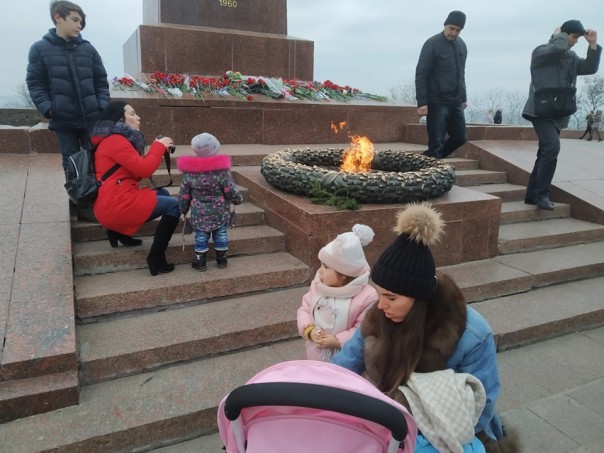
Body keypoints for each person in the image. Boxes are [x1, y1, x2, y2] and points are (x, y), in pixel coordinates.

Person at [331, 203, 508, 452]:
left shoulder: (472, 335)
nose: (381, 305)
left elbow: (481, 406)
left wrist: (417, 439)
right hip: (385, 424)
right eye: (379, 294)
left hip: (443, 434)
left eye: (391, 298)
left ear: (419, 297)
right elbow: (343, 365)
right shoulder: (378, 316)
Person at [90, 101, 181, 276]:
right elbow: (144, 170)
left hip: (111, 201)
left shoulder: (113, 139)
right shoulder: (115, 140)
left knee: (162, 193)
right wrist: (157, 147)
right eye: (132, 114)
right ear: (120, 119)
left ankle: (118, 233)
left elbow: (135, 172)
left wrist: (158, 151)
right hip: (115, 205)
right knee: (175, 205)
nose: (138, 118)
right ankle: (156, 256)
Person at [522, 20, 601, 211]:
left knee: (545, 151)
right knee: (552, 147)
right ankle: (542, 194)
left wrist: (592, 45)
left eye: (576, 38)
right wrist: (560, 36)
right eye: (573, 37)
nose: (575, 41)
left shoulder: (571, 57)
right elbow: (556, 49)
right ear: (563, 36)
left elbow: (589, 67)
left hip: (558, 112)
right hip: (539, 110)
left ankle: (532, 194)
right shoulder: (541, 52)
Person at [26, 1, 109, 174]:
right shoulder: (40, 49)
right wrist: (49, 109)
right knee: (71, 161)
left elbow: (101, 81)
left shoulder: (89, 49)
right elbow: (35, 83)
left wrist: (101, 106)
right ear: (58, 17)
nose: (80, 25)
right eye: (75, 20)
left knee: (96, 159)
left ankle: (96, 193)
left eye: (81, 22)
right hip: (63, 120)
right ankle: (76, 192)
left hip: (91, 118)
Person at [297, 224, 378, 362]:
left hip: (346, 358)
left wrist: (338, 340)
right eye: (321, 264)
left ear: (343, 274)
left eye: (326, 266)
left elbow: (363, 328)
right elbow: (305, 308)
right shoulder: (318, 285)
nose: (320, 270)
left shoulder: (367, 297)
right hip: (315, 354)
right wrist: (309, 330)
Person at [176, 133, 243, 271]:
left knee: (201, 236)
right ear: (215, 148)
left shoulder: (190, 173)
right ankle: (221, 259)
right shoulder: (221, 172)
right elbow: (230, 189)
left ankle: (200, 262)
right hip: (220, 211)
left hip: (199, 213)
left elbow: (184, 194)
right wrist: (237, 199)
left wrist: (183, 209)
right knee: (221, 234)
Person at [416, 11, 468, 159]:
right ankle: (433, 163)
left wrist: (463, 97)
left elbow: (461, 73)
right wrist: (422, 102)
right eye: (451, 28)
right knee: (436, 143)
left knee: (460, 137)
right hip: (436, 101)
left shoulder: (462, 45)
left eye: (458, 30)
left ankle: (425, 161)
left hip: (455, 101)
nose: (454, 33)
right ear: (445, 25)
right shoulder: (432, 44)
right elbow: (421, 74)